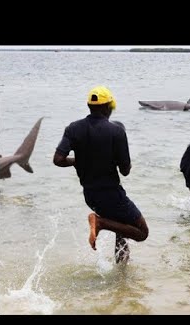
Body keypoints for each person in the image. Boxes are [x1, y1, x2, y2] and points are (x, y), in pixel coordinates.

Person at [53, 86, 149, 263]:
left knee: (122, 230)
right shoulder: (117, 131)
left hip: (90, 195)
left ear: (89, 106)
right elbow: (125, 171)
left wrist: (80, 161)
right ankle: (100, 223)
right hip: (112, 194)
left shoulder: (73, 129)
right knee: (142, 232)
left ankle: (122, 275)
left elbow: (58, 159)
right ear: (108, 106)